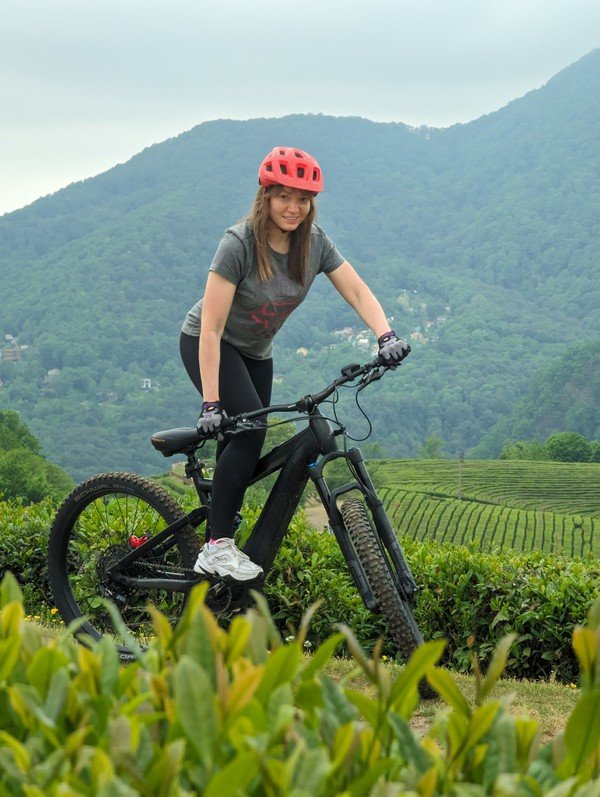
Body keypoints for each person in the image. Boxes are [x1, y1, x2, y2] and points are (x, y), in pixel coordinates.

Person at [180, 146, 408, 581]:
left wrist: (386, 335)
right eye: (284, 196)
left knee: (244, 439)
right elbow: (211, 328)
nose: (293, 207)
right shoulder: (238, 244)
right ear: (266, 195)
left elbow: (357, 290)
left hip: (256, 352)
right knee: (250, 429)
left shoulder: (314, 243)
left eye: (303, 199)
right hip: (208, 342)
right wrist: (211, 403)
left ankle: (219, 528)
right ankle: (216, 547)